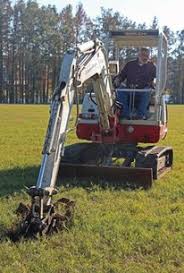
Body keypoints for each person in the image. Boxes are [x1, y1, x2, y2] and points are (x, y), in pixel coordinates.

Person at [114, 47, 156, 119]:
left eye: (147, 56)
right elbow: (122, 76)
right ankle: (126, 114)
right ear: (138, 55)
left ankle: (140, 115)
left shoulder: (152, 67)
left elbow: (155, 78)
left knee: (147, 90)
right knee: (120, 90)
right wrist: (117, 80)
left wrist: (153, 83)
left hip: (143, 91)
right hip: (129, 90)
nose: (145, 57)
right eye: (143, 55)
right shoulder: (130, 65)